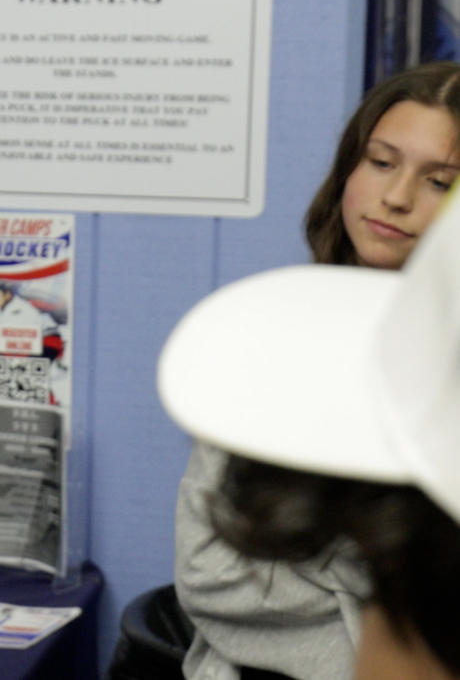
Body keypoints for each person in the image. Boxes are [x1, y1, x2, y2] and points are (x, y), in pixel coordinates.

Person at [174, 62, 460, 680]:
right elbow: (210, 575)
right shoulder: (274, 335)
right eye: (381, 162)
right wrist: (376, 604)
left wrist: (307, 567)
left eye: (439, 181)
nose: (397, 197)